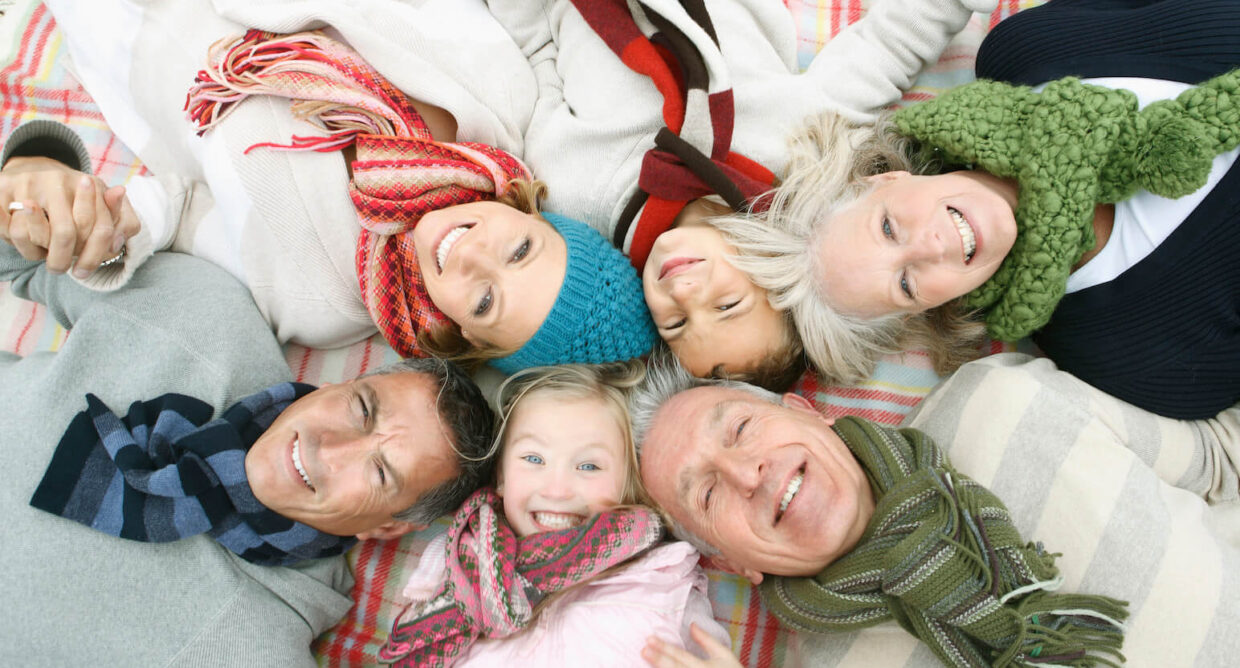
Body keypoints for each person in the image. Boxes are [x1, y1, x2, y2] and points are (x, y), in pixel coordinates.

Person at [21, 0, 657, 373]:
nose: (471, 255)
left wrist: (97, 228)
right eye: (521, 251)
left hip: (142, 24)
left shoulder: (321, 299)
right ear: (539, 218)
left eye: (486, 301)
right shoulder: (508, 108)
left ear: (467, 338)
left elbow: (173, 212)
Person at [713, 0, 1240, 419]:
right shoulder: (1137, 359)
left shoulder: (1025, 52)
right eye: (905, 284)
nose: (929, 246)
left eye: (889, 228)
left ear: (887, 178)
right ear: (927, 309)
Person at [0, 223, 494, 665]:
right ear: (333, 387)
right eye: (361, 410)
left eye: (379, 472)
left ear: (387, 527)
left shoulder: (248, 641)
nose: (329, 448)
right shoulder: (202, 314)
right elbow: (24, 251)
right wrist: (34, 189)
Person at [486, 0, 998, 388]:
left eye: (676, 323)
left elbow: (534, 53)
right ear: (773, 270)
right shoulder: (796, 155)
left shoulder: (576, 198)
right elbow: (890, 47)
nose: (685, 295)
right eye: (727, 304)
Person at [631, 354, 1240, 666]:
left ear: (807, 410)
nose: (745, 474)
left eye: (740, 428)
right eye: (706, 493)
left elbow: (1220, 457)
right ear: (735, 565)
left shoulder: (1000, 397)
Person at [378, 362, 728, 666]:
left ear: (629, 485)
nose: (557, 489)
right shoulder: (455, 562)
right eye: (533, 459)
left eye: (589, 466)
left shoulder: (663, 579)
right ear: (501, 475)